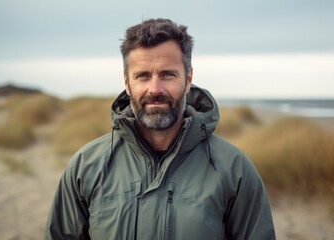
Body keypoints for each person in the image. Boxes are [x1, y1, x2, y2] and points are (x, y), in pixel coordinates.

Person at [46, 18, 276, 239]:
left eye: (167, 74)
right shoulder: (86, 166)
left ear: (188, 79)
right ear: (127, 83)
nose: (155, 89)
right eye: (143, 76)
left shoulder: (234, 169)